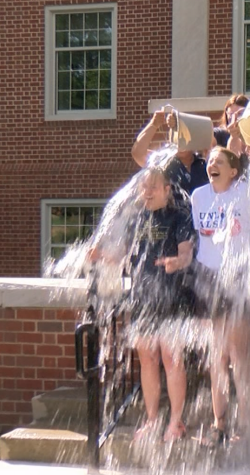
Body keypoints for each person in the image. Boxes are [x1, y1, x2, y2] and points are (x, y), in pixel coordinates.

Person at [94, 167, 195, 442]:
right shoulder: (136, 219)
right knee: (147, 359)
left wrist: (178, 262)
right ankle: (152, 420)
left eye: (153, 186)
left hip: (172, 296)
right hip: (142, 297)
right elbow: (121, 253)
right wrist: (100, 254)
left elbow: (187, 253)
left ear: (166, 190)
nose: (147, 192)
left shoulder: (179, 216)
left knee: (171, 359)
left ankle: (176, 422)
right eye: (144, 187)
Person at [190, 146, 250, 446]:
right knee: (216, 358)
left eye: (220, 161)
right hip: (208, 279)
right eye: (211, 161)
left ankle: (244, 426)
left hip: (237, 278)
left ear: (234, 170)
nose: (212, 165)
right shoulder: (198, 196)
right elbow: (201, 241)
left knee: (239, 357)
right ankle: (218, 424)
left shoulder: (246, 194)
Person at [132, 109, 209, 197]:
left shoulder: (205, 163)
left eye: (184, 135)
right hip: (171, 210)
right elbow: (138, 153)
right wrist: (154, 124)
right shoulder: (163, 163)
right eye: (176, 134)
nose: (180, 140)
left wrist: (184, 121)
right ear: (170, 138)